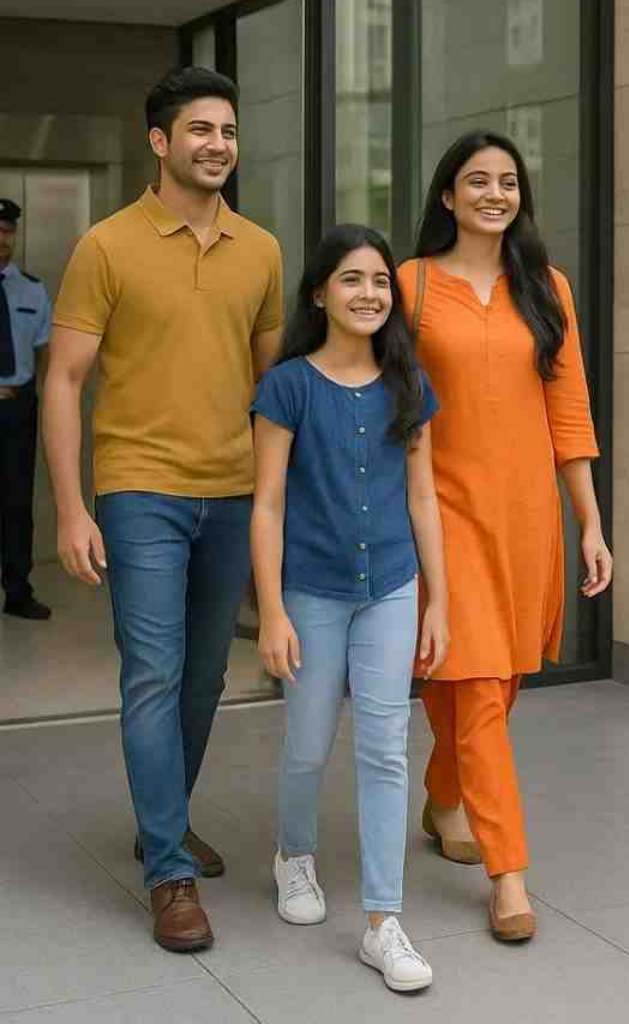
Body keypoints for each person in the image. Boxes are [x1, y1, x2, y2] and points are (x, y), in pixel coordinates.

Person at [42, 66, 283, 951]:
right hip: (139, 488)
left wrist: (279, 501)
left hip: (232, 491)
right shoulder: (105, 246)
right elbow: (63, 382)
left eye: (227, 129)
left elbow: (271, 387)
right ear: (160, 142)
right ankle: (170, 875)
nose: (217, 144)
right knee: (152, 671)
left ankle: (163, 821)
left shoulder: (261, 249)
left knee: (208, 675)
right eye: (199, 130)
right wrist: (73, 509)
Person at [399, 130, 612, 941]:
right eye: (476, 180)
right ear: (447, 197)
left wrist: (589, 520)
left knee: (496, 683)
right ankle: (509, 876)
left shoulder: (546, 288)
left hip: (528, 519)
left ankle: (445, 796)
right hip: (442, 513)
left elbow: (570, 415)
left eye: (508, 181)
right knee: (478, 685)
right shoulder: (410, 285)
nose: (494, 192)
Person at [251, 224, 446, 992]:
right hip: (311, 592)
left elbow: (424, 497)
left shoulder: (408, 384)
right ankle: (294, 855)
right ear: (320, 294)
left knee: (387, 747)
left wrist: (438, 601)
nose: (369, 294)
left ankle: (382, 922)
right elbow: (266, 505)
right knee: (307, 743)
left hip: (393, 588)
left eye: (380, 282)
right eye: (352, 279)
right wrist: (271, 610)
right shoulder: (288, 385)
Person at [0, 197, 53, 621]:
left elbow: (45, 355)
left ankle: (17, 590)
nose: (3, 239)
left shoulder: (31, 290)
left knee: (17, 501)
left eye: (8, 230)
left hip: (17, 410)